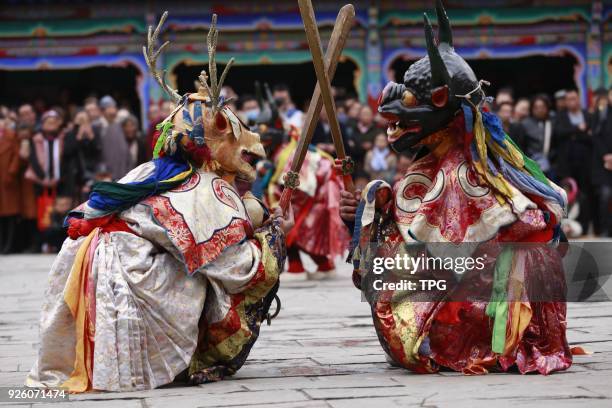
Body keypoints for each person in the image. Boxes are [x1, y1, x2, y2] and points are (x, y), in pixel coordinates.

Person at [27, 14, 291, 393]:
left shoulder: (153, 169)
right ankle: (184, 356)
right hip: (127, 277)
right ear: (211, 145)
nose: (253, 147)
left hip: (81, 267)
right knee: (208, 277)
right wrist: (274, 236)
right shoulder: (204, 188)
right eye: (236, 135)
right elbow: (237, 269)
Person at [340, 0, 571, 375]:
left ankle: (474, 337)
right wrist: (364, 214)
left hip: (480, 310)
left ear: (444, 104)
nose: (395, 121)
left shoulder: (470, 173)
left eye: (414, 105)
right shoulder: (432, 166)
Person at [553, 89, 592, 231]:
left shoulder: (587, 115)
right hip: (566, 164)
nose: (572, 102)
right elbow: (559, 133)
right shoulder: (560, 116)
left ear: (579, 99)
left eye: (574, 98)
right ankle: (565, 227)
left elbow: (591, 137)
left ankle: (585, 226)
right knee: (566, 195)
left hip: (585, 163)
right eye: (569, 99)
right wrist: (578, 129)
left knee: (585, 195)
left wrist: (574, 134)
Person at [61, 110, 102, 201]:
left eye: (85, 120)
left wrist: (91, 136)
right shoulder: (70, 134)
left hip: (92, 171)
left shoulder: (94, 132)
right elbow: (67, 151)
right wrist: (79, 137)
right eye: (80, 120)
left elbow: (98, 150)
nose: (83, 123)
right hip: (76, 172)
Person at [591, 87, 612, 236]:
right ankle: (605, 229)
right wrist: (606, 156)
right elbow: (596, 137)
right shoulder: (602, 113)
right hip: (603, 163)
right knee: (605, 195)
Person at [518, 94, 555, 177]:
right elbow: (521, 146)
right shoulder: (525, 124)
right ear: (532, 109)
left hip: (550, 166)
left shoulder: (552, 123)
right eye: (536, 107)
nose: (539, 110)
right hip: (530, 166)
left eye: (542, 107)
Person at [0, 115, 20, 253]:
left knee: (9, 214)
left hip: (7, 181)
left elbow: (16, 156)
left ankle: (9, 245)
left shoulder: (11, 136)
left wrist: (11, 173)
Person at [99, 95, 131, 180]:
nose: (112, 110)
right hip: (106, 173)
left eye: (113, 107)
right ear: (102, 110)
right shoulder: (98, 126)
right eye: (109, 107)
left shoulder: (119, 125)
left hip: (123, 171)